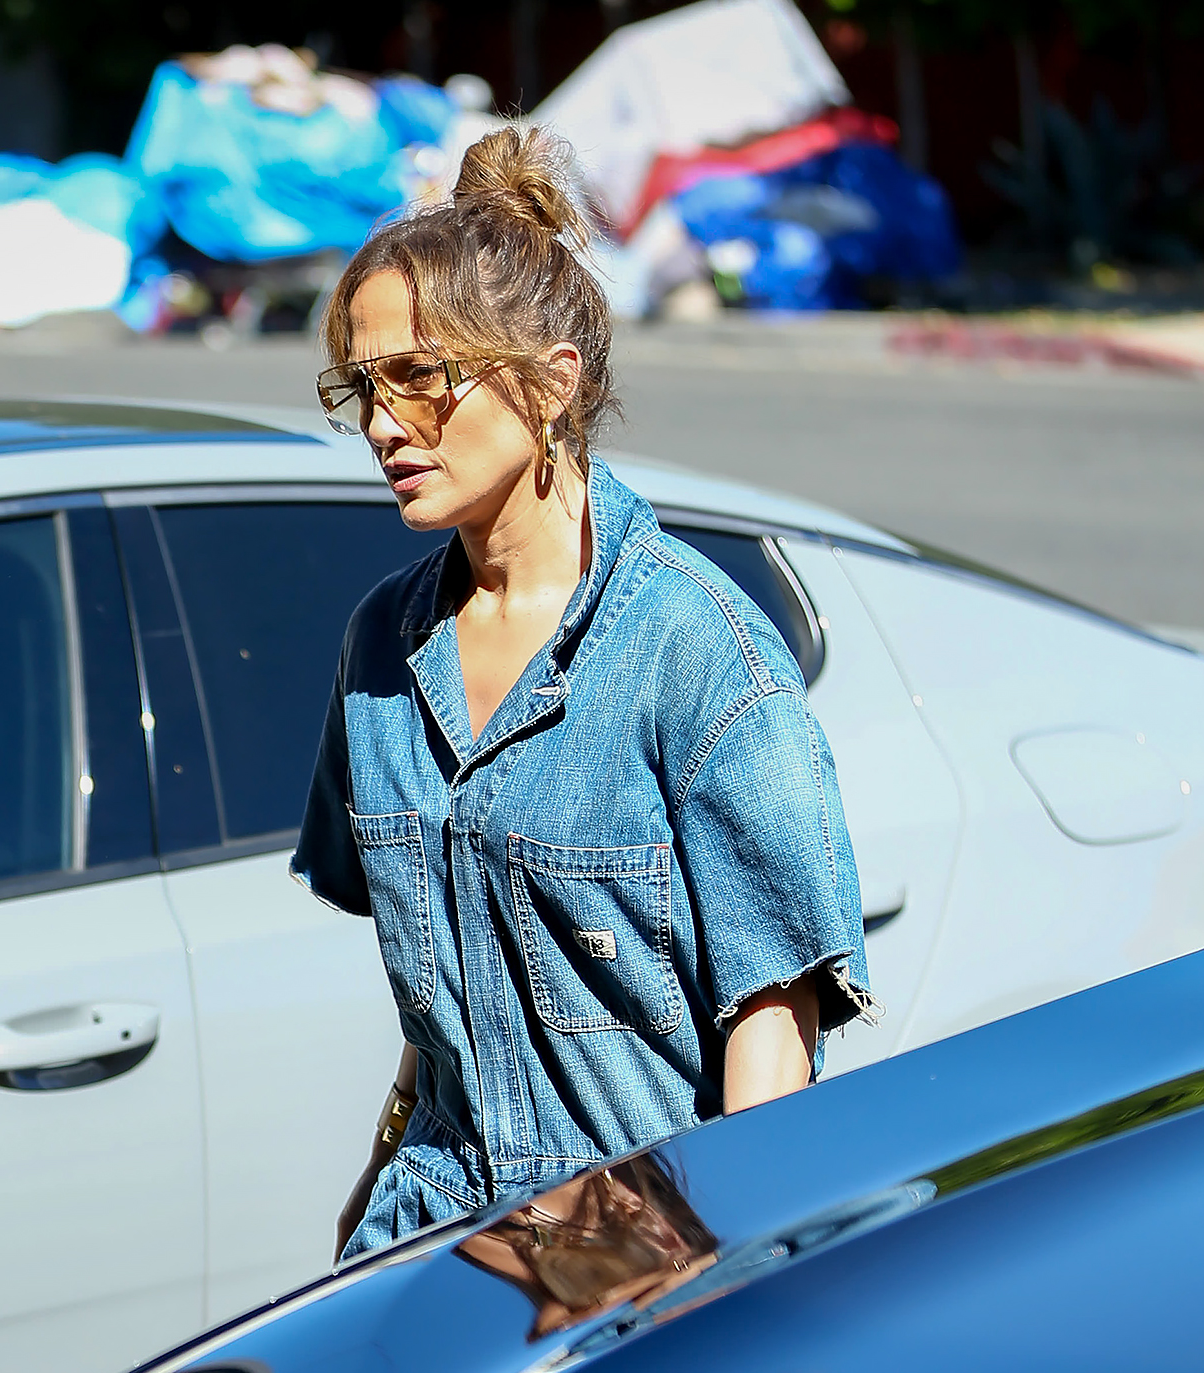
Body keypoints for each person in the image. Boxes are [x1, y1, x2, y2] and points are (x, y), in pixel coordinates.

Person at [292, 125, 874, 1264]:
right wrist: (375, 1185)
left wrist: (744, 1295)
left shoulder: (692, 649)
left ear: (551, 383)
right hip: (434, 1247)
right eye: (358, 388)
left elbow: (772, 1028)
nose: (378, 425)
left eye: (418, 378)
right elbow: (446, 989)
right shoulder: (379, 647)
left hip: (637, 1258)